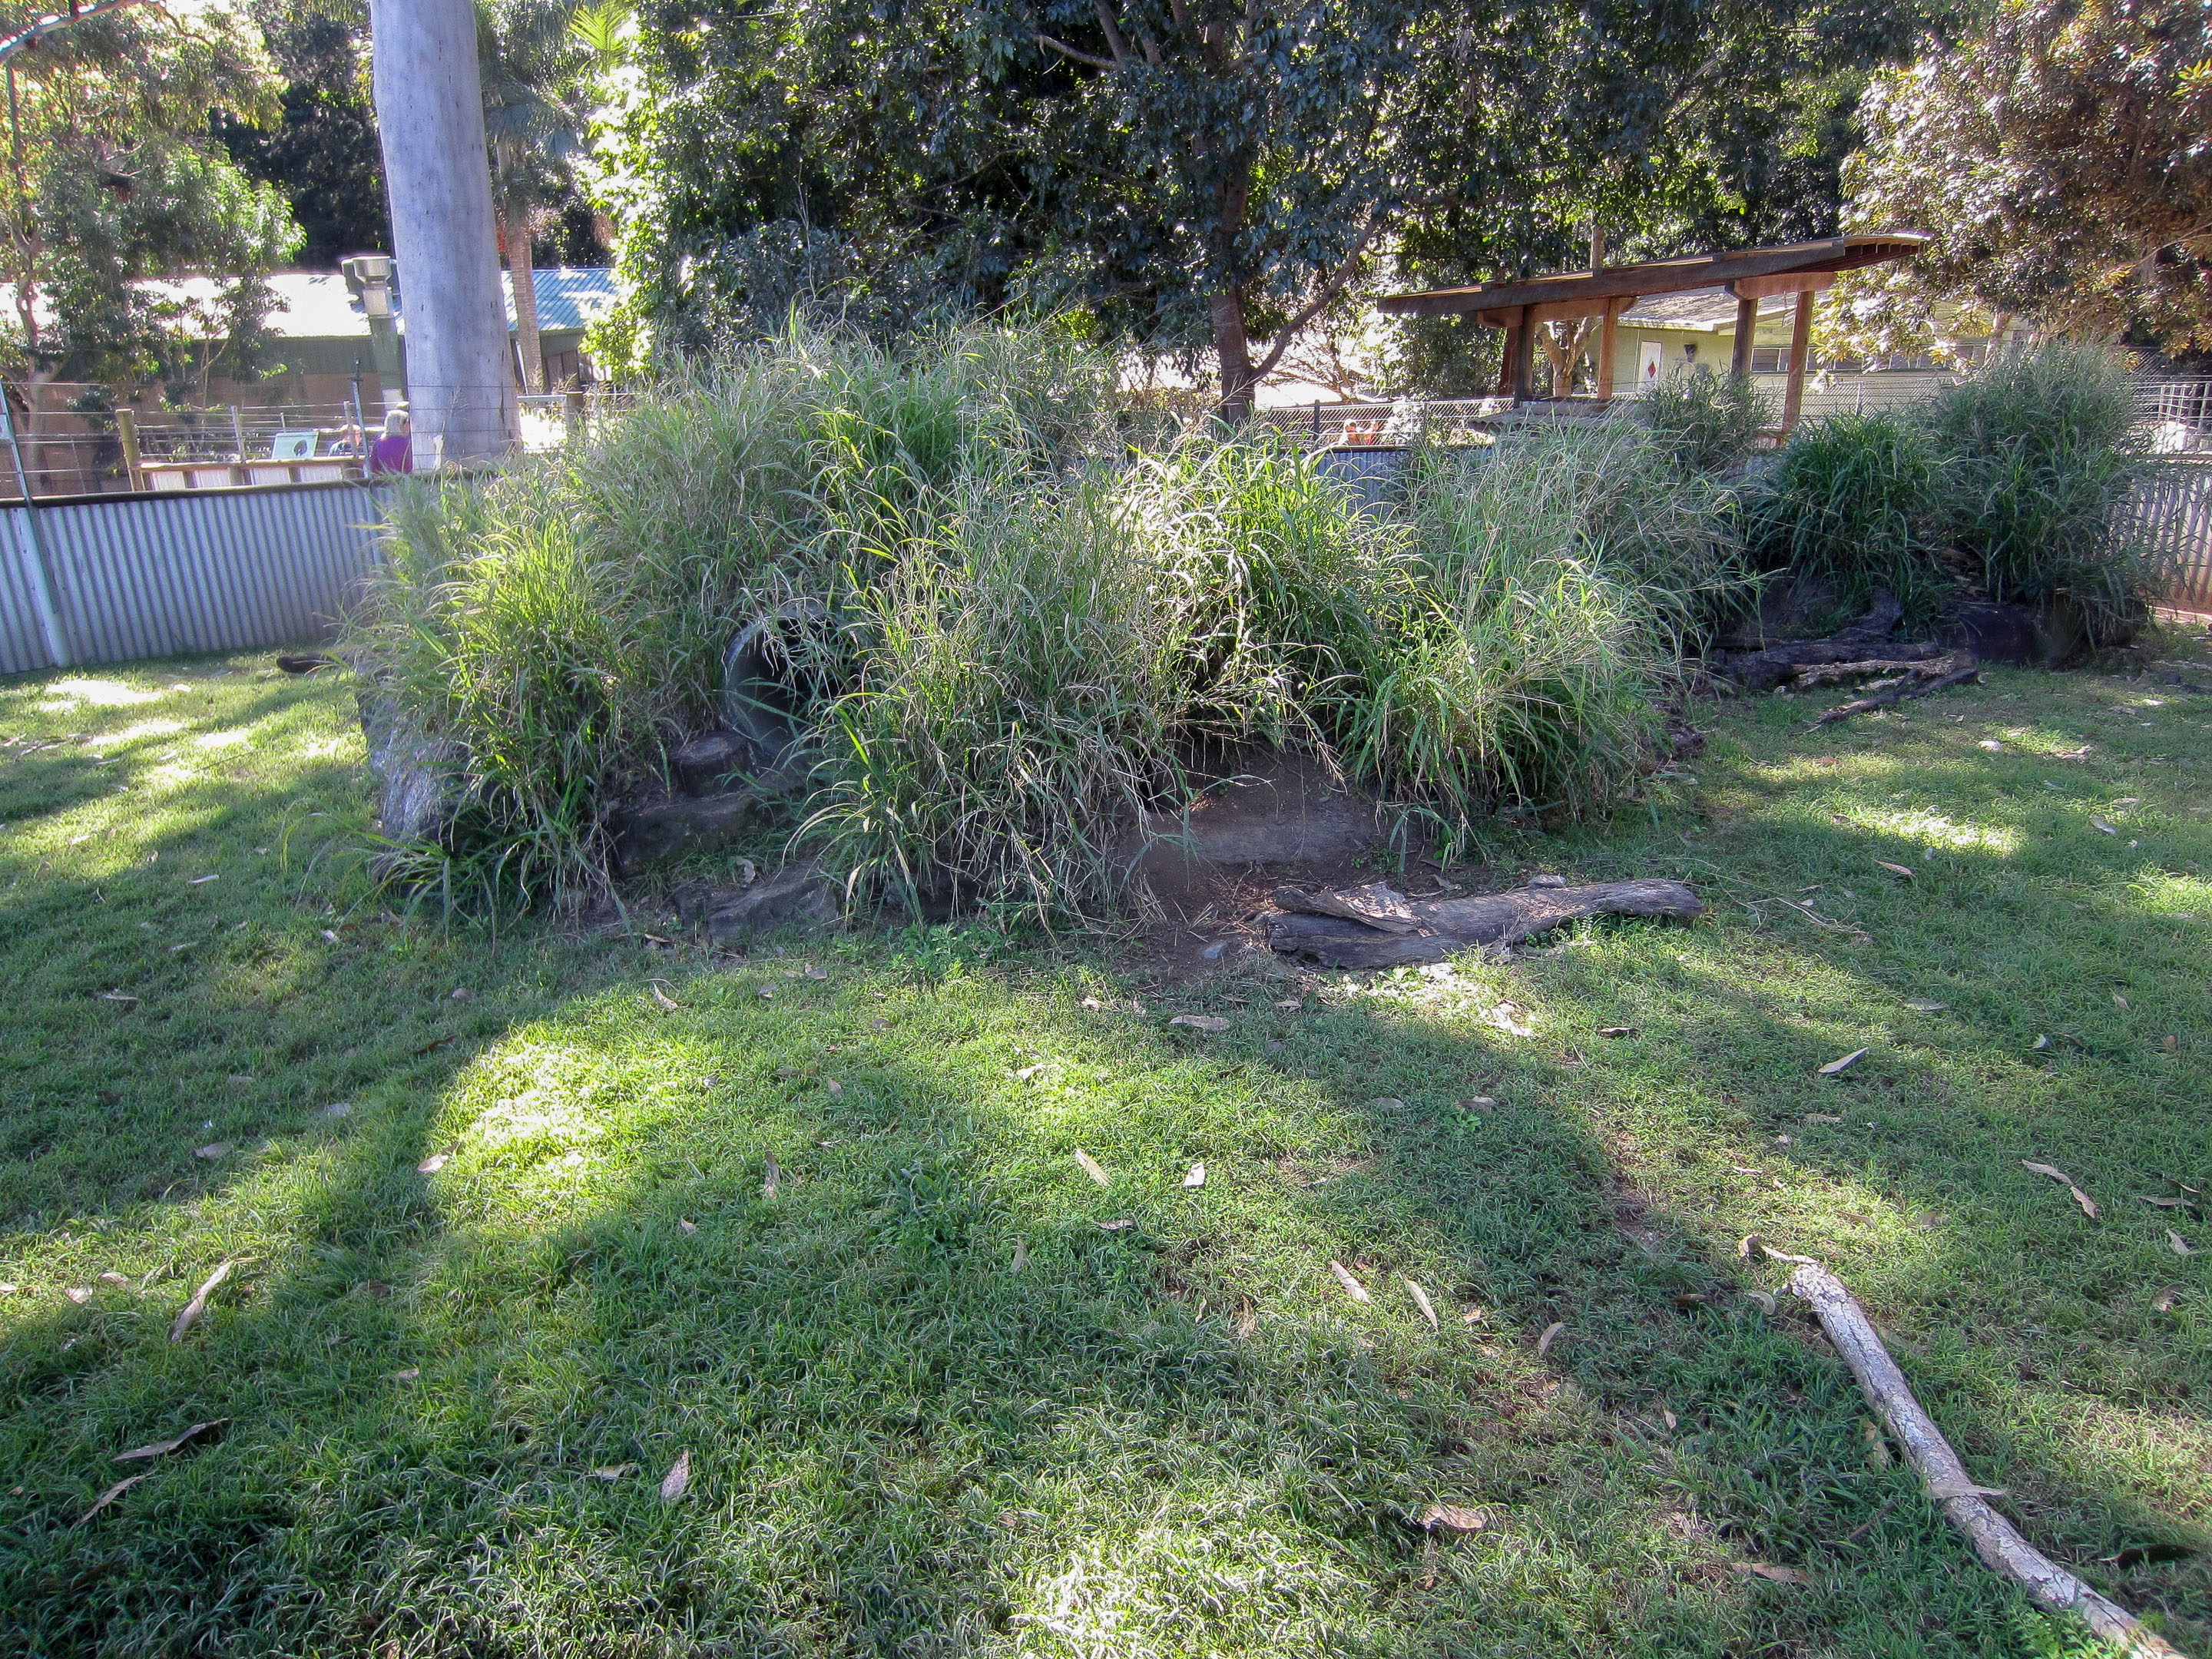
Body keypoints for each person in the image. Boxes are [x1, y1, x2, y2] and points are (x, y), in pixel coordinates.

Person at [368, 408, 413, 475]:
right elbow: (409, 467)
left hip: (382, 482)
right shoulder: (407, 443)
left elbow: (373, 468)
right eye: (408, 423)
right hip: (403, 481)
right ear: (402, 424)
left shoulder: (378, 443)